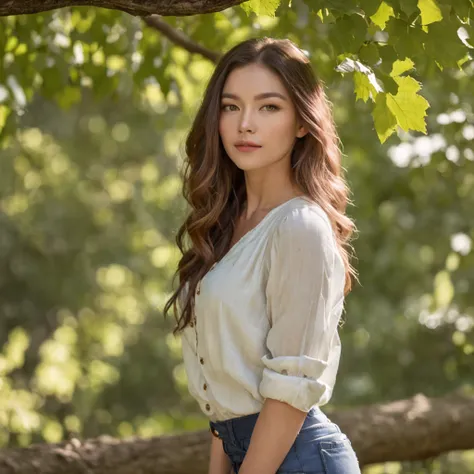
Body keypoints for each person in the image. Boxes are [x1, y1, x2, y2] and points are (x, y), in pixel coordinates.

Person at [164, 37, 360, 474]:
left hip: (296, 459)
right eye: (231, 107)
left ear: (302, 123)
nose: (245, 124)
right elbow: (227, 388)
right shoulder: (225, 228)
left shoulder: (300, 227)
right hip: (248, 458)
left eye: (269, 107)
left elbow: (290, 388)